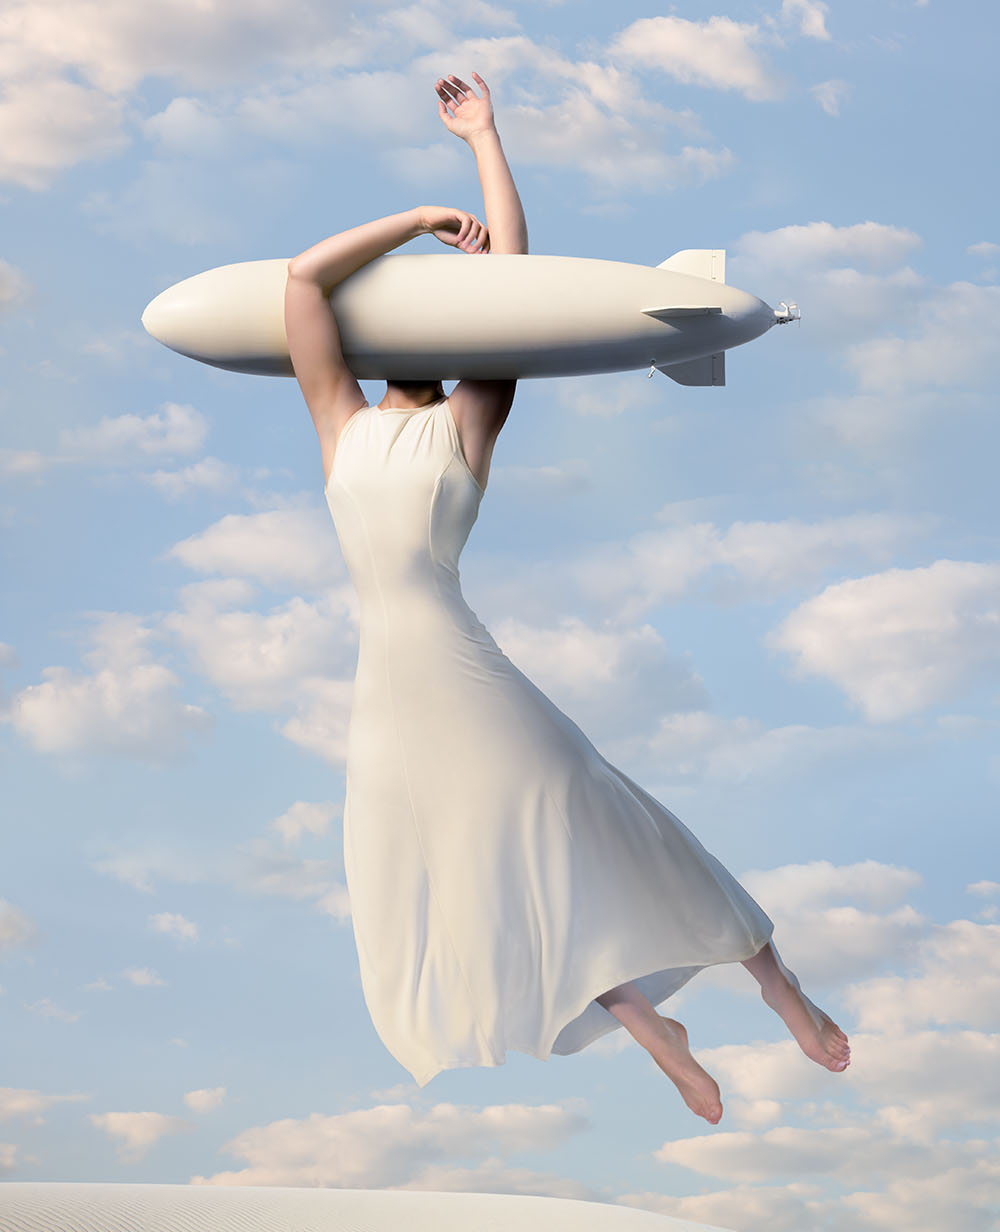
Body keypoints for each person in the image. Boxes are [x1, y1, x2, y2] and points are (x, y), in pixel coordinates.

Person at [284, 73, 850, 1122]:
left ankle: (780, 984)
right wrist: (417, 216)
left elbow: (517, 286)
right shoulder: (338, 420)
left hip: (463, 668)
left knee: (595, 818)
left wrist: (484, 141)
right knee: (491, 872)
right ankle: (653, 1030)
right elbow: (303, 281)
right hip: (383, 697)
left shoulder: (469, 418)